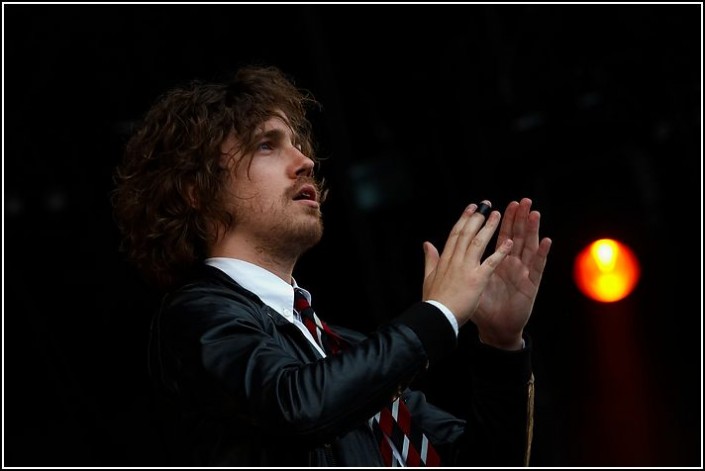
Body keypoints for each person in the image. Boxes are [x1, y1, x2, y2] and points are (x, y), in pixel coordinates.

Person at [111, 65, 552, 467]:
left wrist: (499, 344)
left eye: (299, 145)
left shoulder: (339, 348)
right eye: (267, 145)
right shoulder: (196, 316)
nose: (305, 161)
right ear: (196, 188)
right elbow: (296, 405)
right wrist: (437, 314)